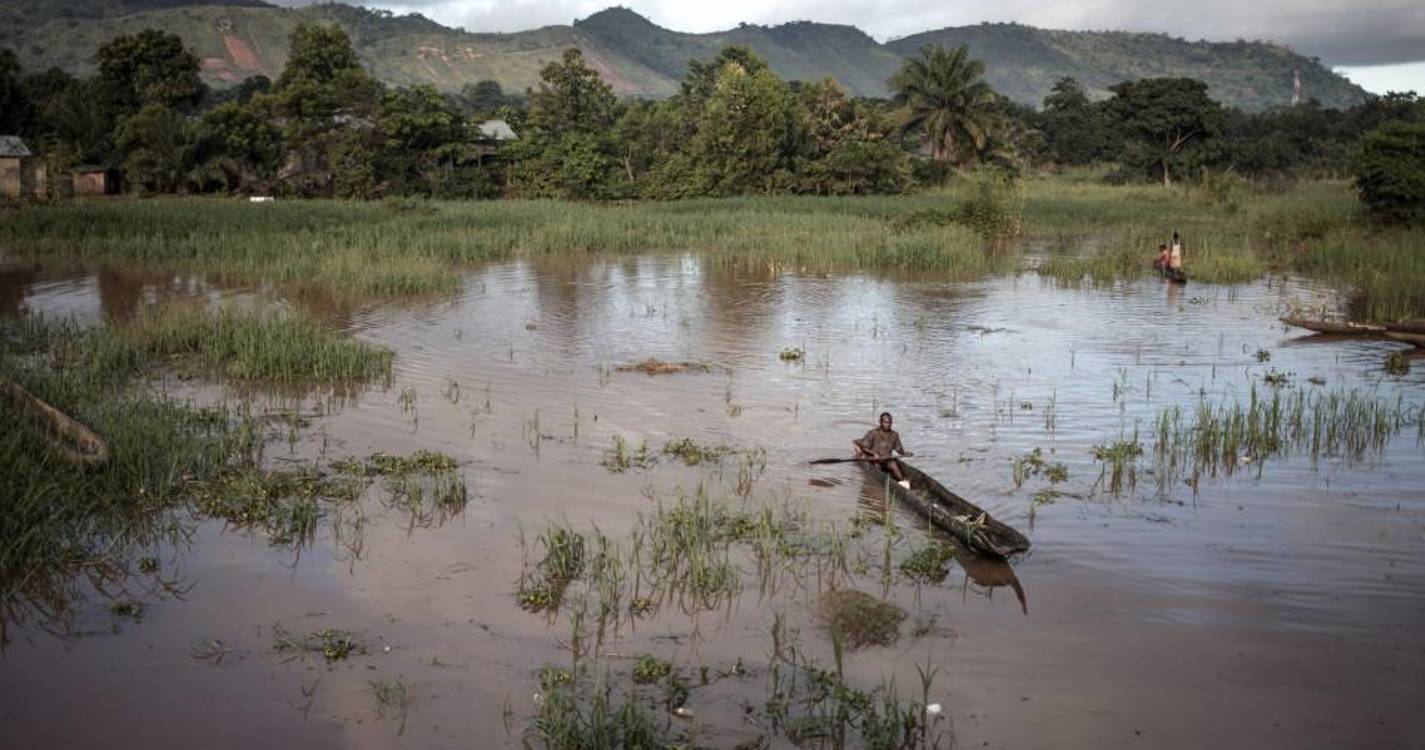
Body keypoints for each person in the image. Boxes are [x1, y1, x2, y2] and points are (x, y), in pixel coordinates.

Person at [854, 412, 914, 489]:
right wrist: (873, 453)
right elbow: (864, 447)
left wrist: (905, 453)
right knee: (877, 468)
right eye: (885, 422)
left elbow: (899, 450)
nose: (887, 425)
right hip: (874, 459)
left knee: (894, 464)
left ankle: (902, 482)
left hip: (886, 458)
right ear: (880, 422)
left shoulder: (894, 435)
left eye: (889, 423)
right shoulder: (873, 433)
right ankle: (882, 483)